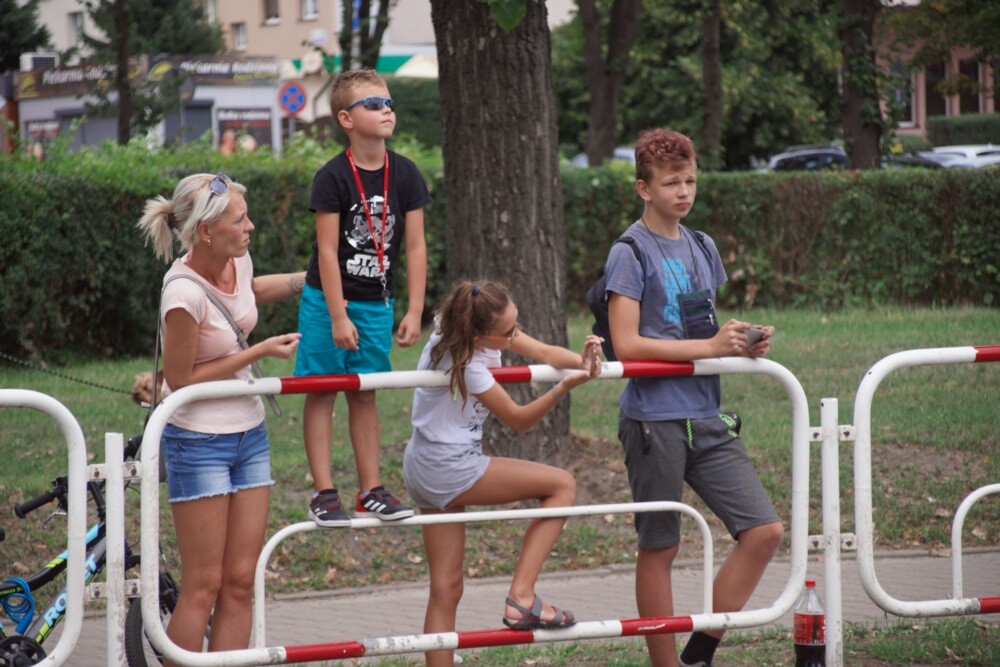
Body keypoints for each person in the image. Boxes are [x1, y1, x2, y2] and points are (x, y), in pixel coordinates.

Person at [602, 129, 784, 667]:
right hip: (654, 420)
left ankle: (698, 653)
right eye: (671, 182)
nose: (684, 192)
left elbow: (696, 324)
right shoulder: (630, 251)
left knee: (764, 531)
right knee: (660, 548)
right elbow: (626, 343)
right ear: (643, 188)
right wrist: (707, 344)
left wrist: (741, 342)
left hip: (707, 415)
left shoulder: (702, 245)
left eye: (690, 181)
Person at [137, 173, 305, 665]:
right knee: (204, 584)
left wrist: (307, 279)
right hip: (198, 441)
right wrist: (258, 353)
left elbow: (249, 292)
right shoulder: (181, 294)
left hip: (249, 434)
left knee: (239, 581)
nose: (250, 226)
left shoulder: (237, 258)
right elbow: (181, 378)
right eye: (240, 219)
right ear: (206, 231)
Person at [405, 280, 603, 667]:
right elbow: (519, 420)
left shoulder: (457, 328)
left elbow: (544, 351)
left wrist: (583, 361)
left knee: (447, 588)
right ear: (479, 335)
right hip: (449, 465)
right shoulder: (470, 366)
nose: (515, 335)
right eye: (507, 333)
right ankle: (522, 598)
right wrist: (563, 388)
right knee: (562, 485)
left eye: (516, 325)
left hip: (422, 462)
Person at [296, 68, 431, 527]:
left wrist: (414, 309)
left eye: (388, 102)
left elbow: (414, 246)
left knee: (366, 393)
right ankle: (323, 491)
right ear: (346, 119)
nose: (386, 109)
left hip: (377, 303)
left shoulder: (406, 173)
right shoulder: (331, 177)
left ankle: (371, 489)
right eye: (373, 104)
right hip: (326, 302)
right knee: (321, 391)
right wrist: (336, 315)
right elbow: (327, 253)